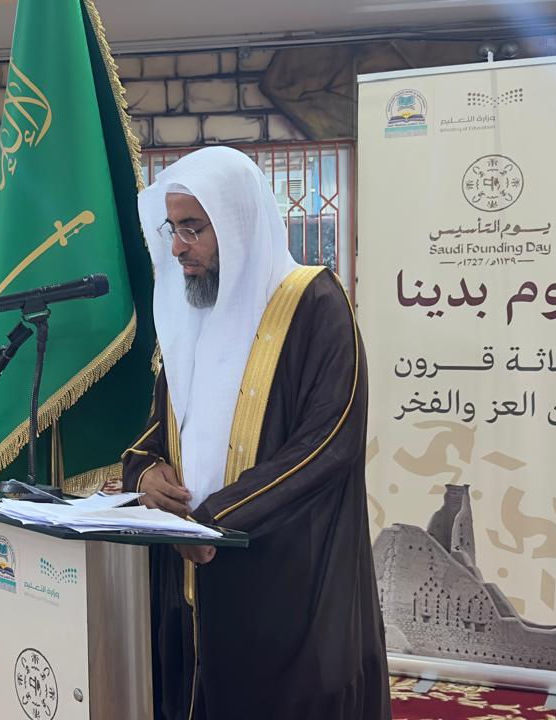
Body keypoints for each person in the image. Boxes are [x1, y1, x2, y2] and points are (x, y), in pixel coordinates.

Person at [121, 147, 389, 720]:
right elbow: (159, 430)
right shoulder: (191, 314)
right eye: (172, 229)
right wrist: (145, 473)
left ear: (238, 223)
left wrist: (219, 520)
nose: (178, 247)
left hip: (286, 577)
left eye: (193, 228)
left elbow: (329, 442)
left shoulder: (315, 303)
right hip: (189, 573)